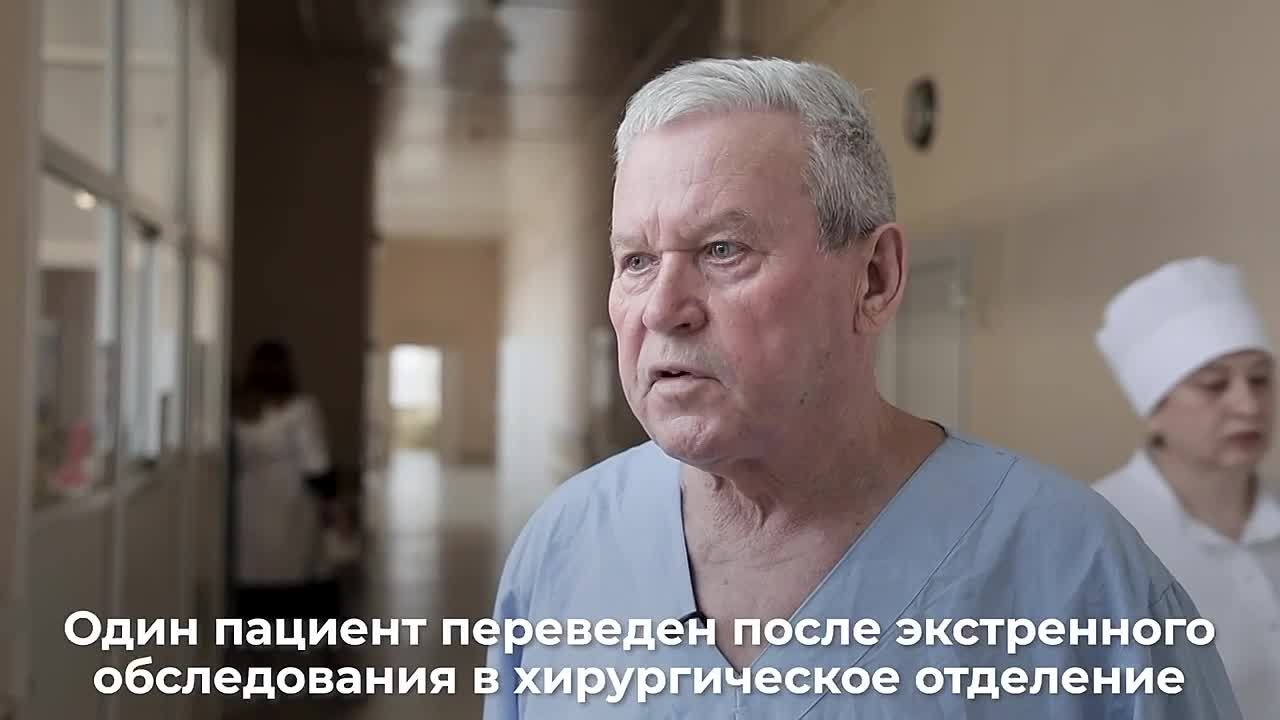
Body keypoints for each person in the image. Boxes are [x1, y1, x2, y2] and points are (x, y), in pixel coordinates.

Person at [484, 58, 1241, 718]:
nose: (661, 309)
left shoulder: (1077, 575)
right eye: (637, 261)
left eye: (722, 249)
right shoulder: (566, 547)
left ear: (875, 278)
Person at [1094, 257, 1280, 718]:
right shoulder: (1099, 531)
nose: (1248, 404)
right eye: (1214, 385)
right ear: (1154, 408)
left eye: (1260, 379)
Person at [231, 340, 339, 627]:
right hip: (292, 498)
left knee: (254, 568)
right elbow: (315, 463)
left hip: (248, 497)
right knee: (292, 568)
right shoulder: (301, 409)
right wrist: (331, 500)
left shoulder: (239, 412)